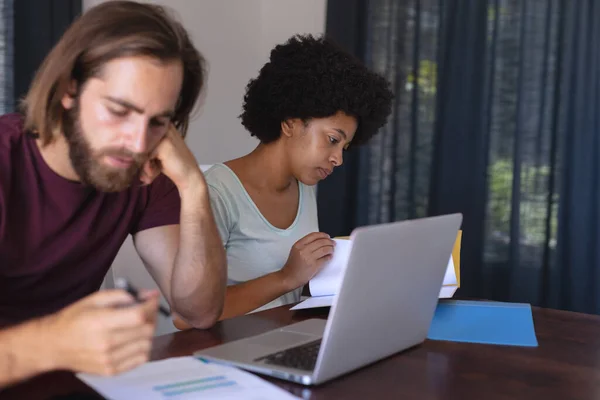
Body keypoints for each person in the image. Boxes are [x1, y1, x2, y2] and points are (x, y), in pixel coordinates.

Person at [0, 0, 226, 381]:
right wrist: (58, 342)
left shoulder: (143, 170)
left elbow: (198, 311)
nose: (137, 142)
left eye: (158, 122)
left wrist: (193, 187)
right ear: (70, 89)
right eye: (119, 111)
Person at [173, 34, 393, 329]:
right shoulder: (215, 193)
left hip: (285, 340)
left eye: (344, 148)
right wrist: (286, 277)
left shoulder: (304, 188)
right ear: (290, 122)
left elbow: (291, 293)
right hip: (227, 353)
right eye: (331, 140)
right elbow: (185, 319)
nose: (338, 159)